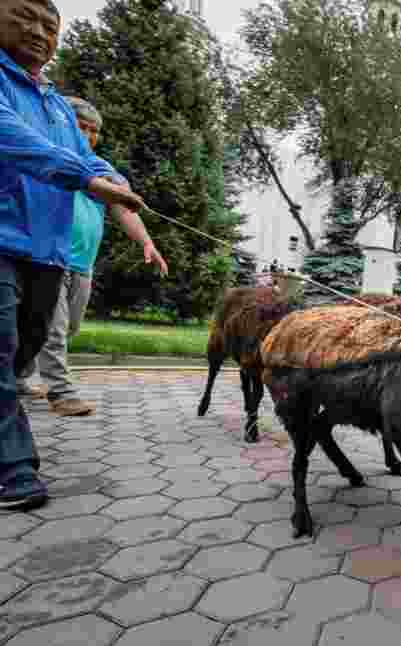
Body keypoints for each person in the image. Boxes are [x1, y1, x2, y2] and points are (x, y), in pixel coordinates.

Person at [1, 0, 146, 512]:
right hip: (2, 238)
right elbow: (16, 141)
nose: (38, 32)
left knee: (30, 340)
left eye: (50, 25)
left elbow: (88, 158)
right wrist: (88, 180)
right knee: (1, 347)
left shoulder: (57, 105)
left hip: (46, 249)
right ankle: (13, 469)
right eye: (24, 18)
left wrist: (112, 179)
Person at [16, 97, 168, 416]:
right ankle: (60, 392)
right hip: (47, 260)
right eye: (81, 127)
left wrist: (147, 242)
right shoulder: (51, 159)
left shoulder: (98, 169)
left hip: (82, 265)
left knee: (65, 328)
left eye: (94, 130)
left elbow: (121, 206)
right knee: (53, 330)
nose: (87, 134)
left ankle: (16, 376)